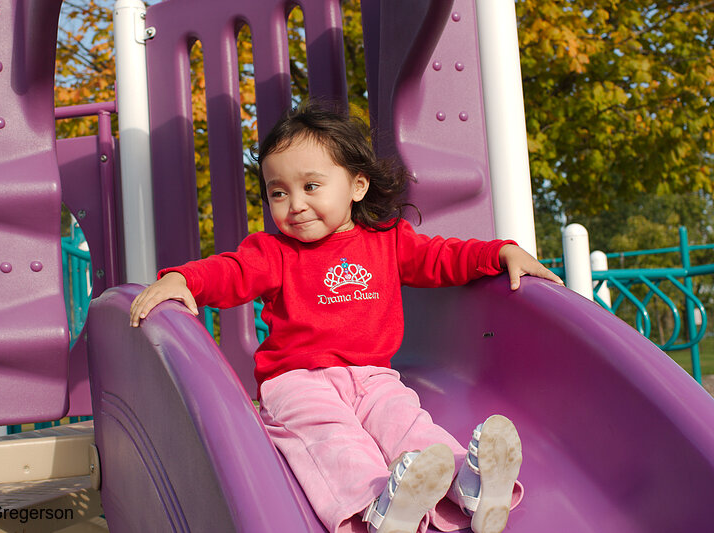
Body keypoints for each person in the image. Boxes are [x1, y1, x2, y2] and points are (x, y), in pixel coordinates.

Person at [130, 103, 564, 533]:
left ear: (357, 185)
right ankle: (376, 507)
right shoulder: (274, 252)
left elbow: (441, 257)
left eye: (311, 186)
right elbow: (232, 271)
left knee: (408, 426)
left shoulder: (388, 241)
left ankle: (470, 487)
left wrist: (499, 251)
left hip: (373, 376)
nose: (294, 204)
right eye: (278, 192)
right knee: (334, 439)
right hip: (298, 381)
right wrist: (184, 280)